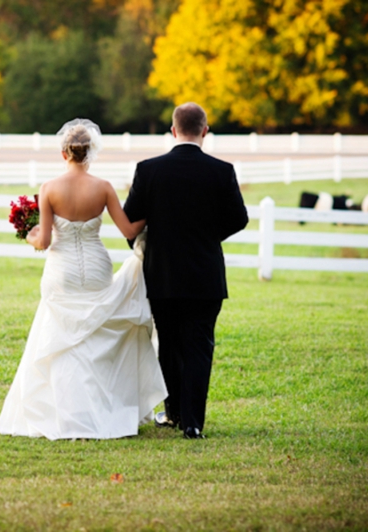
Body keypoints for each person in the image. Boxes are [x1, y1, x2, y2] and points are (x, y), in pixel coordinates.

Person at [0, 119, 167, 440]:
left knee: (63, 338)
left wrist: (30, 235)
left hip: (63, 272)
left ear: (64, 153)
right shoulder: (102, 188)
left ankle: (66, 413)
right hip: (97, 267)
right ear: (90, 153)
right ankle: (99, 409)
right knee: (94, 336)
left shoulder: (49, 189)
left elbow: (44, 241)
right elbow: (130, 231)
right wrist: (156, 211)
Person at [123, 103, 249, 439]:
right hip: (205, 275)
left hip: (162, 274)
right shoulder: (222, 171)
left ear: (173, 131)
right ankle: (193, 422)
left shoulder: (148, 170)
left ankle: (174, 412)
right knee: (199, 346)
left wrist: (150, 246)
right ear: (205, 131)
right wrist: (207, 238)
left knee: (169, 343)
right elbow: (239, 219)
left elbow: (129, 223)